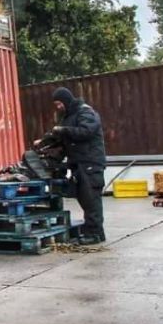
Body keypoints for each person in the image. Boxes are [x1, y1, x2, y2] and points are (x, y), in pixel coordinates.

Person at [43, 87, 107, 245]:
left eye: (59, 104)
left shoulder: (85, 112)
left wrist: (63, 130)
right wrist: (46, 141)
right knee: (84, 197)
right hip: (78, 162)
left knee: (91, 198)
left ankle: (95, 233)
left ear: (66, 100)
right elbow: (66, 139)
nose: (58, 107)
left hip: (90, 162)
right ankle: (92, 231)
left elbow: (86, 132)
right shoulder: (68, 116)